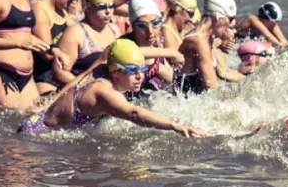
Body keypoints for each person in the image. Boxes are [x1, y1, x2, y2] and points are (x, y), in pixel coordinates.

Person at [17, 39, 206, 137]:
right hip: (38, 136)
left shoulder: (102, 67)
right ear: (115, 71)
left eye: (142, 68)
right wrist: (175, 126)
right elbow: (134, 113)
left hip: (37, 120)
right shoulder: (103, 92)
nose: (140, 75)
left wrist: (51, 100)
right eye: (132, 70)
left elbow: (79, 78)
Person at [30, 0, 90, 94]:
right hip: (44, 76)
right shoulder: (40, 9)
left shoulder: (64, 13)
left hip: (64, 72)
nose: (74, 1)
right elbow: (46, 53)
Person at [52, 0, 122, 85]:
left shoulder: (114, 30)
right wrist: (87, 87)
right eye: (102, 7)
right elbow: (60, 72)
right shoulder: (75, 33)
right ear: (88, 7)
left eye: (111, 6)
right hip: (84, 94)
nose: (108, 12)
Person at [174, 0, 237, 96]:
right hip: (187, 105)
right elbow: (212, 86)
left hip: (199, 99)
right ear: (218, 18)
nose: (232, 24)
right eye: (230, 19)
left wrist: (252, 80)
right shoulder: (198, 41)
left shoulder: (208, 37)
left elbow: (223, 72)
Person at [123, 0, 182, 93]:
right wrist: (171, 53)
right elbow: (133, 51)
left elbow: (171, 76)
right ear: (132, 25)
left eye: (155, 23)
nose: (150, 31)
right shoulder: (123, 44)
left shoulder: (156, 45)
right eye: (142, 26)